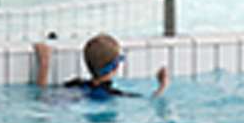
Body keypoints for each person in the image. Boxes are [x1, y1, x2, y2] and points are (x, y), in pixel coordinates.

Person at [33, 33, 168, 97]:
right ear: (115, 67)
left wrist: (44, 63)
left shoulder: (76, 84)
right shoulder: (113, 94)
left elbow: (42, 94)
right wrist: (162, 85)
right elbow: (151, 100)